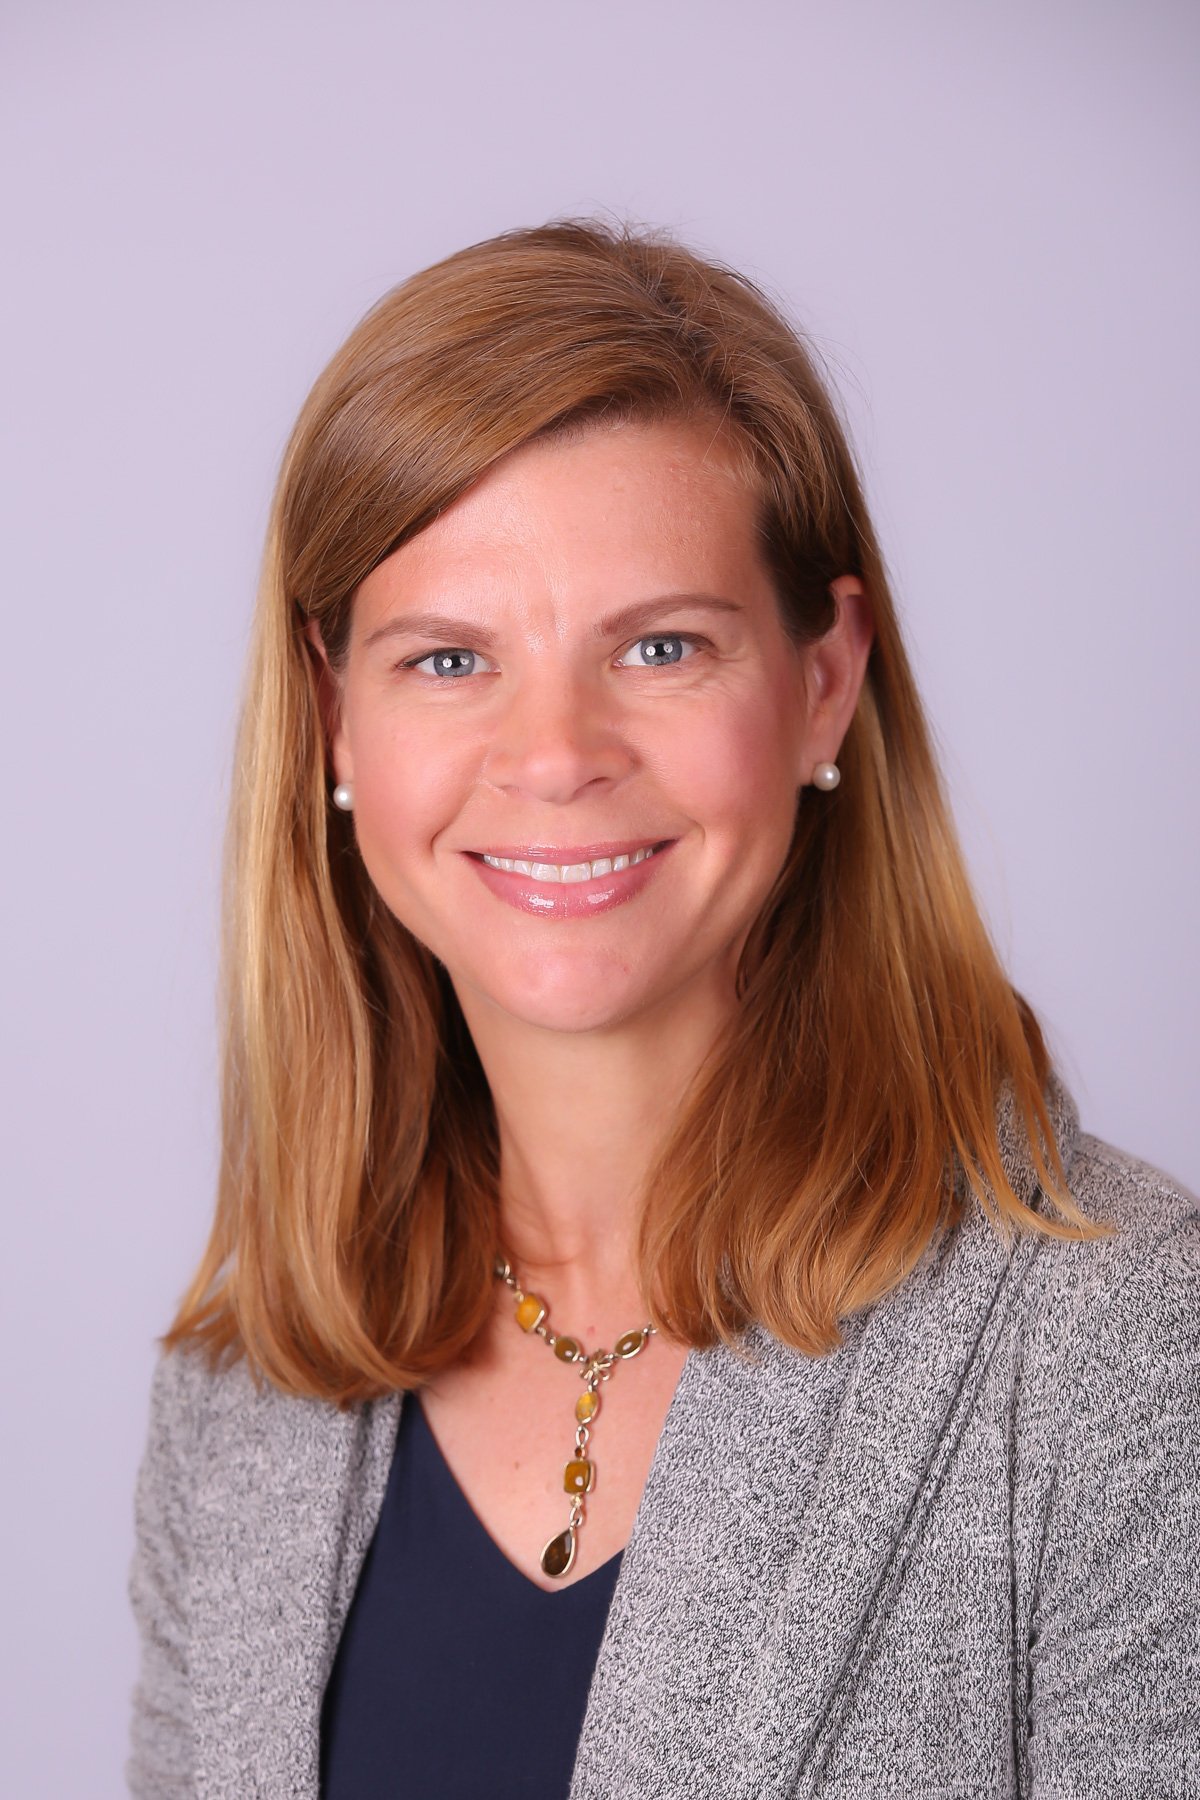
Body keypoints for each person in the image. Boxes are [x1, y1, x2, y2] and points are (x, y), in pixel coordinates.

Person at [126, 218, 1199, 1799]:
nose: (554, 753)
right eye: (446, 660)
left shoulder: (1118, 1349)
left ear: (825, 679)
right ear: (333, 714)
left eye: (664, 645)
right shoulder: (241, 1395)